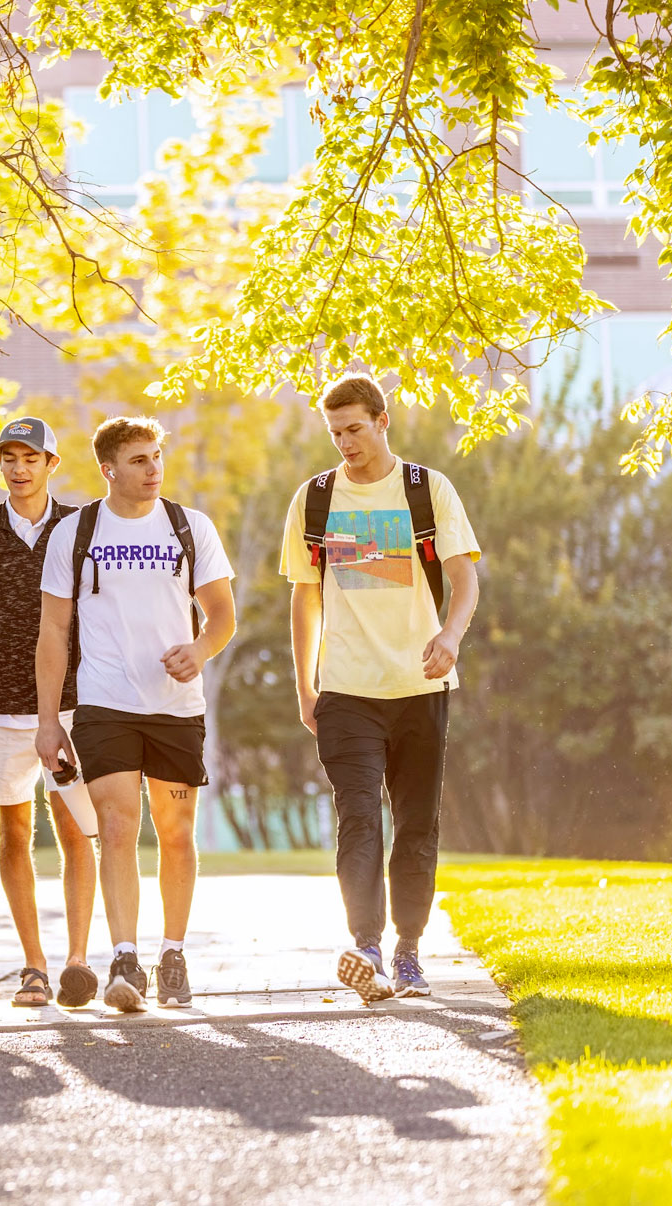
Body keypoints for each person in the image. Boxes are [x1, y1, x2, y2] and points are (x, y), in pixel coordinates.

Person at [280, 374, 481, 1003]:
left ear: (382, 420)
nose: (345, 442)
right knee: (360, 816)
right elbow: (304, 597)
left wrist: (449, 637)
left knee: (417, 824)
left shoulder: (427, 491)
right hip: (346, 690)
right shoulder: (314, 501)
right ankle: (365, 945)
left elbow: (464, 578)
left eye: (355, 429)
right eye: (335, 432)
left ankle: (409, 952)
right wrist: (305, 686)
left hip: (420, 686)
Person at [36, 417, 236, 1012]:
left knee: (175, 834)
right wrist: (49, 722)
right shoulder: (75, 534)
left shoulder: (188, 527)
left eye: (156, 458)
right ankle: (124, 958)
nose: (154, 470)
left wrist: (199, 650)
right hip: (105, 704)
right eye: (140, 460)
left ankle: (172, 953)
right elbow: (52, 631)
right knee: (118, 828)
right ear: (109, 470)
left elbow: (222, 613)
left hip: (176, 707)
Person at [0, 417, 101, 1009]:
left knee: (75, 830)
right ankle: (33, 966)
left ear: (50, 464)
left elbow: (98, 613)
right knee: (14, 829)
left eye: (30, 458)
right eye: (8, 458)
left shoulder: (80, 528)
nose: (18, 468)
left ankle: (78, 960)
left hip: (73, 706)